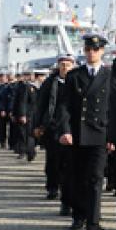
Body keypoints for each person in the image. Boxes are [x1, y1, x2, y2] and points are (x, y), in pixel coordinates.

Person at [54, 33, 113, 230]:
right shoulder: (74, 76)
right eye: (88, 49)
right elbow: (64, 106)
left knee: (96, 178)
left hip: (100, 134)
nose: (91, 53)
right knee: (77, 177)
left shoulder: (110, 75)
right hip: (77, 134)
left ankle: (93, 222)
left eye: (95, 49)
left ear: (102, 51)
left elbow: (115, 108)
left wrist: (112, 136)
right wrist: (65, 130)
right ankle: (79, 215)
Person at [35, 58, 73, 201]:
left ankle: (66, 190)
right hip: (53, 126)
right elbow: (41, 104)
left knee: (68, 161)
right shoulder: (50, 82)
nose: (65, 68)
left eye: (68, 65)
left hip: (71, 127)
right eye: (62, 65)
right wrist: (38, 125)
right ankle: (52, 187)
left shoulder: (76, 81)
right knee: (53, 160)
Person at [10, 70, 43, 161]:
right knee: (28, 133)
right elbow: (22, 101)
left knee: (33, 133)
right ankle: (29, 152)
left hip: (36, 114)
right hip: (28, 114)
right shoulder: (26, 86)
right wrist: (22, 114)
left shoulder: (38, 86)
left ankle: (29, 151)